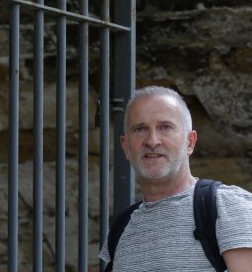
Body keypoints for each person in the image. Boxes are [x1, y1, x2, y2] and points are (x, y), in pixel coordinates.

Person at [99, 86, 252, 271]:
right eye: (140, 129)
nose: (152, 140)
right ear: (126, 147)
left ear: (190, 142)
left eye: (165, 127)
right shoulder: (121, 231)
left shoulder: (229, 208)